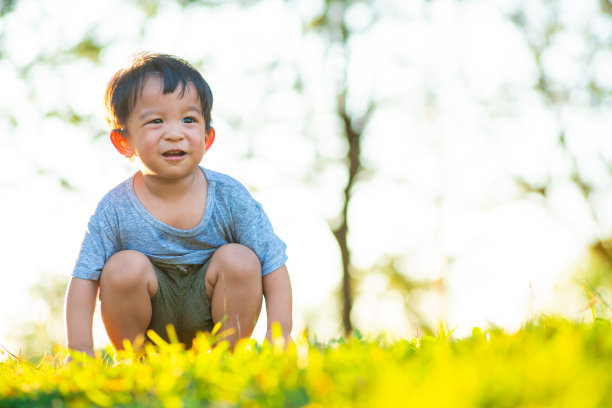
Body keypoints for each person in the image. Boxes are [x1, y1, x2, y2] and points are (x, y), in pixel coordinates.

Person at [64, 53, 292, 357]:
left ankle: (225, 361)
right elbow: (84, 278)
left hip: (211, 307)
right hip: (149, 317)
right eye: (156, 121)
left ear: (207, 137)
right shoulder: (115, 208)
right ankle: (138, 362)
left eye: (189, 120)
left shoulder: (229, 196)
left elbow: (273, 265)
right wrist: (79, 351)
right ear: (123, 141)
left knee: (242, 259)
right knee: (121, 268)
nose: (174, 133)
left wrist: (282, 336)